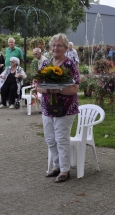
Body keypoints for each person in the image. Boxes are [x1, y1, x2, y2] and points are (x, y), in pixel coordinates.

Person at [37, 33, 79, 183]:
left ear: (66, 48)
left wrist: (58, 90)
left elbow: (74, 89)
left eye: (59, 45)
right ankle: (56, 166)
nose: (56, 48)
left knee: (61, 139)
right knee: (50, 138)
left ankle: (65, 170)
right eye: (54, 45)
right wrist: (45, 89)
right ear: (50, 47)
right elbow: (38, 85)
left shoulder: (69, 65)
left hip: (66, 108)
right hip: (47, 107)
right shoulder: (46, 64)